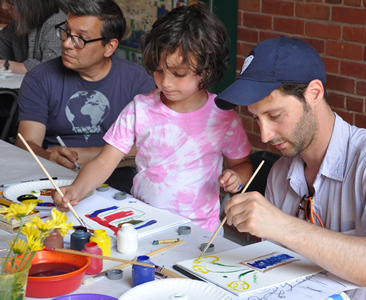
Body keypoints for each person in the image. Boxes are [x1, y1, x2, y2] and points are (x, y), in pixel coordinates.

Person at [214, 36, 366, 299]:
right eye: (256, 118)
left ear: (314, 93)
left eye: (275, 115)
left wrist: (280, 225)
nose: (265, 135)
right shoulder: (280, 173)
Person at [52, 3, 253, 232]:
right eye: (159, 70)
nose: (165, 82)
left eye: (178, 74)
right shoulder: (141, 108)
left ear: (206, 71)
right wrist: (76, 189)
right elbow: (104, 161)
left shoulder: (223, 117)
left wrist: (236, 176)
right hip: (144, 221)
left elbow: (243, 164)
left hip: (199, 230)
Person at [16, 0, 155, 193]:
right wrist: (48, 157)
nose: (66, 43)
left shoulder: (139, 81)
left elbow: (149, 146)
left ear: (109, 47)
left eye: (81, 38)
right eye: (66, 32)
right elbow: (27, 144)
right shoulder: (39, 78)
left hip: (119, 177)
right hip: (56, 174)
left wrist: (86, 155)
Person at [0, 0, 65, 74]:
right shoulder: (19, 21)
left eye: (10, 4)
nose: (3, 7)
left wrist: (7, 65)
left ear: (30, 5)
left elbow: (50, 68)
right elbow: (2, 44)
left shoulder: (56, 24)